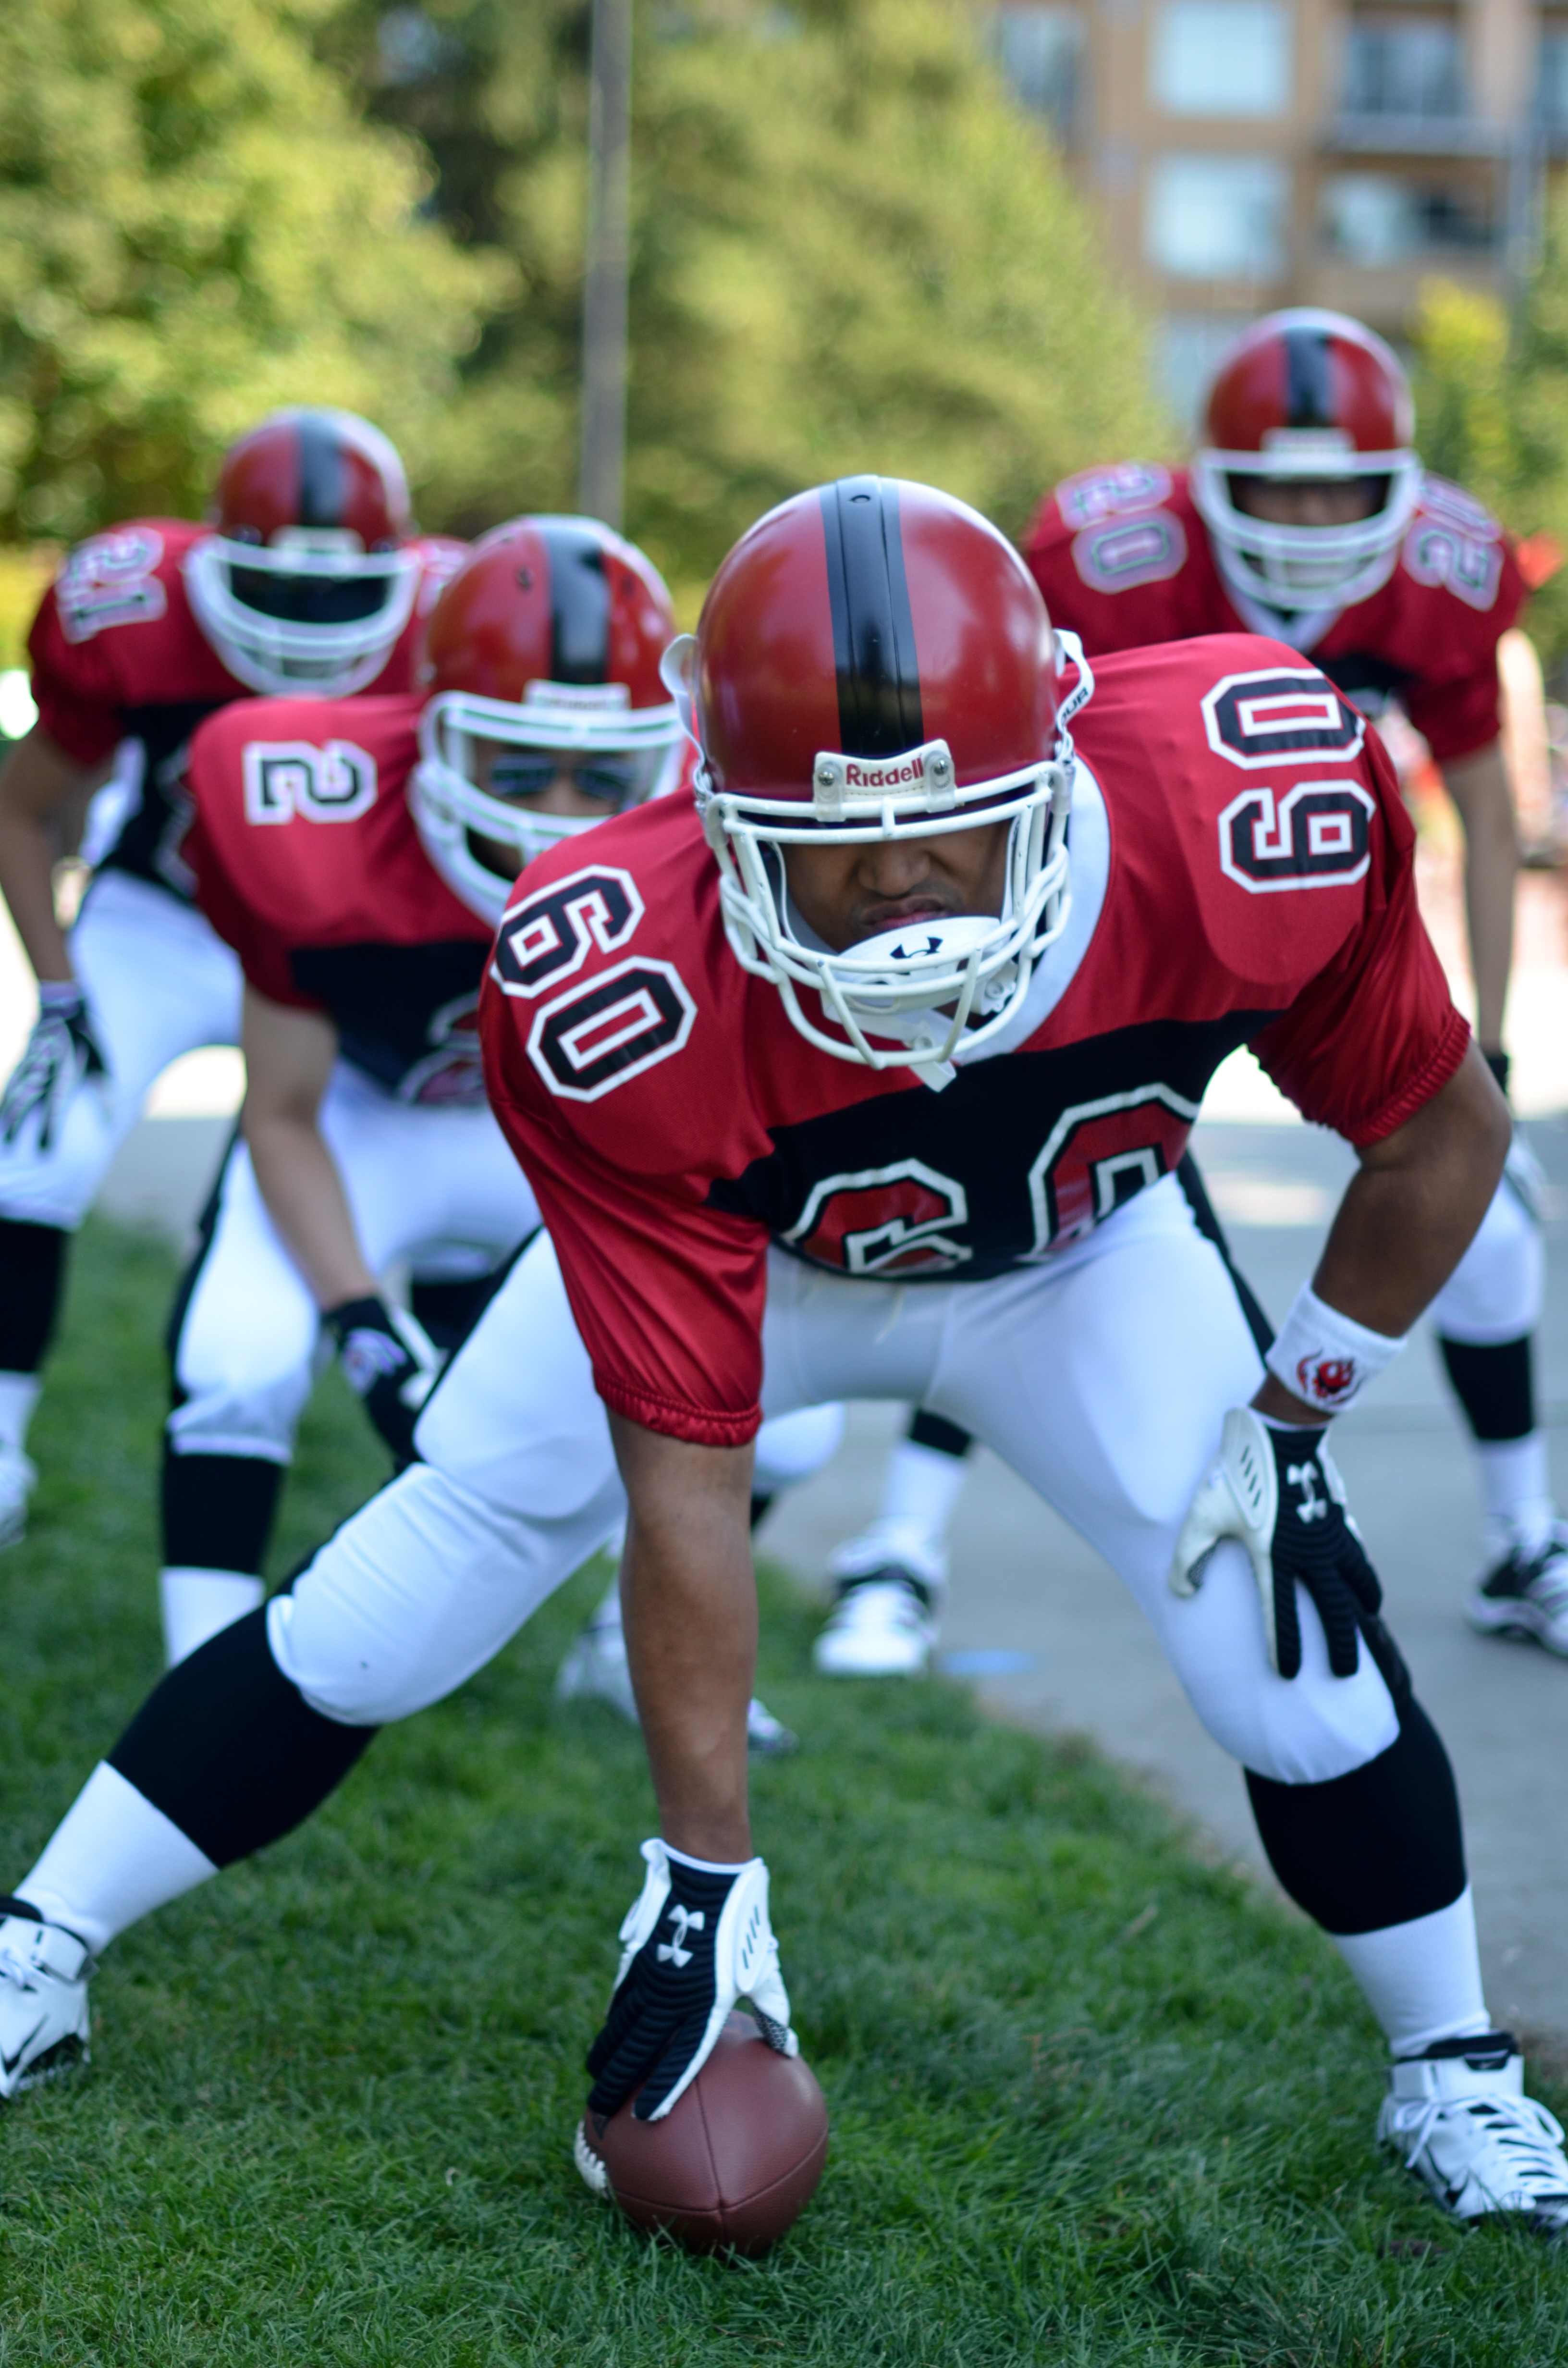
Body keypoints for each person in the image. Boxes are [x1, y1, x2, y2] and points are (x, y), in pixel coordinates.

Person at [2, 478, 1564, 2233]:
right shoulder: (623, 980)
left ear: (1059, 763)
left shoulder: (1239, 801)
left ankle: (1456, 2069)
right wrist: (705, 1872)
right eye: (830, 843)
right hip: (759, 1253)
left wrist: (1295, 1415)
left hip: (1084, 1255)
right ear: (709, 801)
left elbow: (1436, 1135)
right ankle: (35, 1947)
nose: (895, 881)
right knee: (396, 1595)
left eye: (951, 829)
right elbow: (684, 1486)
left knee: (1286, 1656)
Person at [822, 309, 1562, 1676]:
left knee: (1491, 1220)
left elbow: (1485, 812)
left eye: (1341, 490)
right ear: (1209, 479)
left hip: (1318, 943)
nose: (1311, 521)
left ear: (1398, 488)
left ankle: (1526, 1538)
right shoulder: (1109, 565)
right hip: (1125, 942)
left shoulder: (1442, 581)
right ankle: (899, 1543)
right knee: (1031, 1218)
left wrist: (1497, 1052)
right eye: (1278, 488)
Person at [156, 514, 683, 1664]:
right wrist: (362, 1323)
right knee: (239, 1358)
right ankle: (200, 1675)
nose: (557, 807)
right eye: (518, 766)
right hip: (361, 1124)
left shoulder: (704, 833)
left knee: (785, 1430)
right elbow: (280, 1113)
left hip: (549, 1147)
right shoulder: (313, 818)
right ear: (437, 730)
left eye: (601, 773)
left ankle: (628, 1649)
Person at [0, 408, 466, 1550]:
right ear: (209, 561)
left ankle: (458, 1486)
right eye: (276, 586)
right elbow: (23, 808)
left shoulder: (452, 623)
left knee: (390, 1203)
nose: (306, 619)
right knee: (37, 1150)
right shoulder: (135, 615)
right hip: (164, 922)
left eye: (339, 594)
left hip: (326, 955)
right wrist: (58, 991)